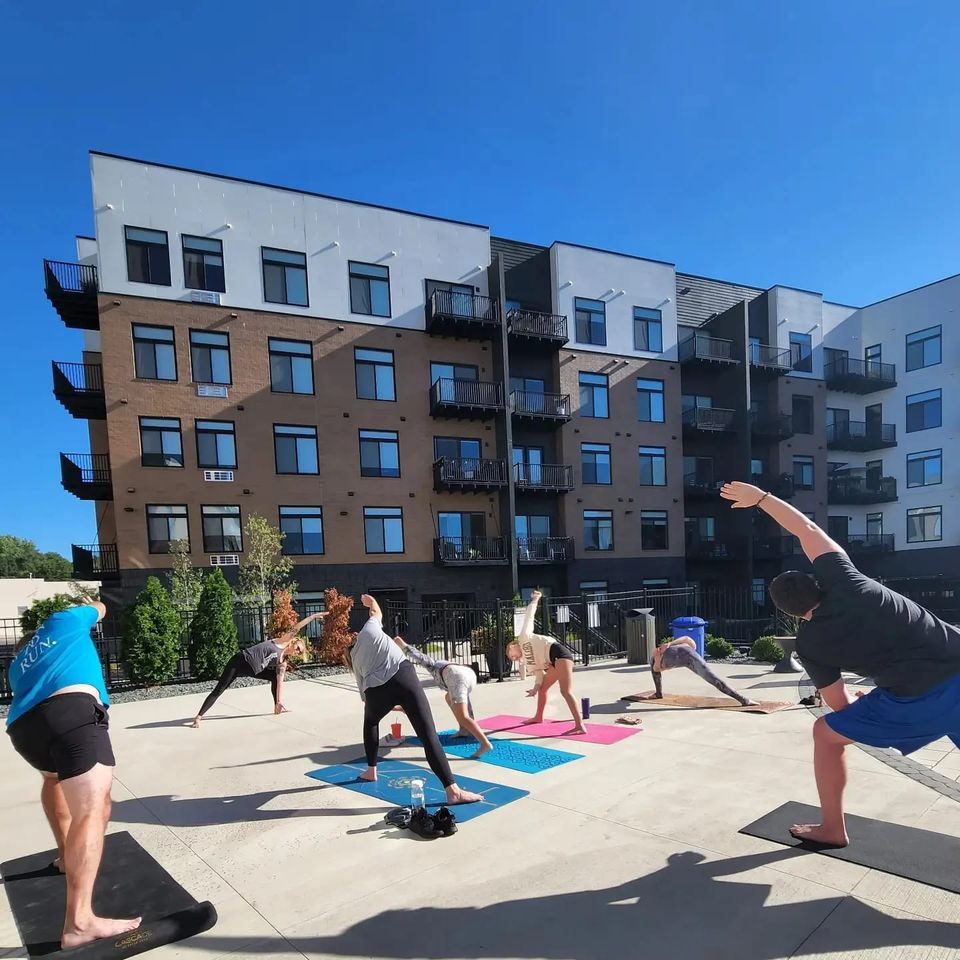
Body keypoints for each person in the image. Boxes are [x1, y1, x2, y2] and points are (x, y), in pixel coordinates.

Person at [721, 479, 960, 848]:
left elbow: (839, 706)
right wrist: (761, 499)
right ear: (817, 583)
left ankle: (833, 828)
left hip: (917, 698)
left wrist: (867, 705)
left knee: (826, 735)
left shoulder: (811, 645)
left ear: (794, 614)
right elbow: (807, 529)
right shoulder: (847, 580)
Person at [5, 598, 141, 950]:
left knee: (52, 779)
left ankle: (66, 856)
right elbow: (101, 607)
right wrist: (89, 604)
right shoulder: (62, 621)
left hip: (24, 731)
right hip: (71, 714)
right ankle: (79, 923)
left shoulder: (18, 665)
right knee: (94, 808)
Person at [347, 594, 482, 804]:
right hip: (403, 676)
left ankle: (371, 770)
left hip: (376, 690)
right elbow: (376, 611)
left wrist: (389, 704)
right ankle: (452, 791)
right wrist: (370, 601)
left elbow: (366, 696)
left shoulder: (355, 660)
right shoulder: (369, 629)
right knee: (428, 734)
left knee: (370, 722)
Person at [191, 611, 326, 728]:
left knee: (274, 677)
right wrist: (313, 617)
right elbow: (297, 627)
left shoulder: (283, 663)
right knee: (220, 689)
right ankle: (199, 716)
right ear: (293, 642)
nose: (297, 651)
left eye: (299, 652)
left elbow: (280, 683)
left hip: (252, 670)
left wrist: (279, 701)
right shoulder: (282, 641)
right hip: (240, 661)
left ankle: (276, 706)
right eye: (298, 648)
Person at [392, 636, 494, 759]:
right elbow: (465, 700)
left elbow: (420, 657)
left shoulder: (434, 665)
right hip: (470, 675)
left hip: (456, 676)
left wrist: (403, 645)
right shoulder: (448, 666)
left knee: (463, 716)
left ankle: (485, 744)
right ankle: (463, 729)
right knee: (449, 698)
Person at [505, 590, 585, 735]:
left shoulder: (524, 637)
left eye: (512, 656)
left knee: (565, 691)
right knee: (542, 688)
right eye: (513, 659)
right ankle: (538, 716)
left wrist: (535, 600)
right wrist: (535, 689)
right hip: (553, 661)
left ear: (512, 646)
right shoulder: (528, 661)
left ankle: (579, 725)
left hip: (560, 654)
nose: (515, 659)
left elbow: (529, 617)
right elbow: (539, 675)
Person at [641, 636, 758, 706]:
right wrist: (669, 644)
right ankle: (744, 700)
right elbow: (686, 638)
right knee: (714, 679)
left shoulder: (660, 658)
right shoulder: (663, 655)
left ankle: (744, 700)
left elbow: (657, 668)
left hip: (685, 657)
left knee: (714, 679)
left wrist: (667, 647)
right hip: (683, 655)